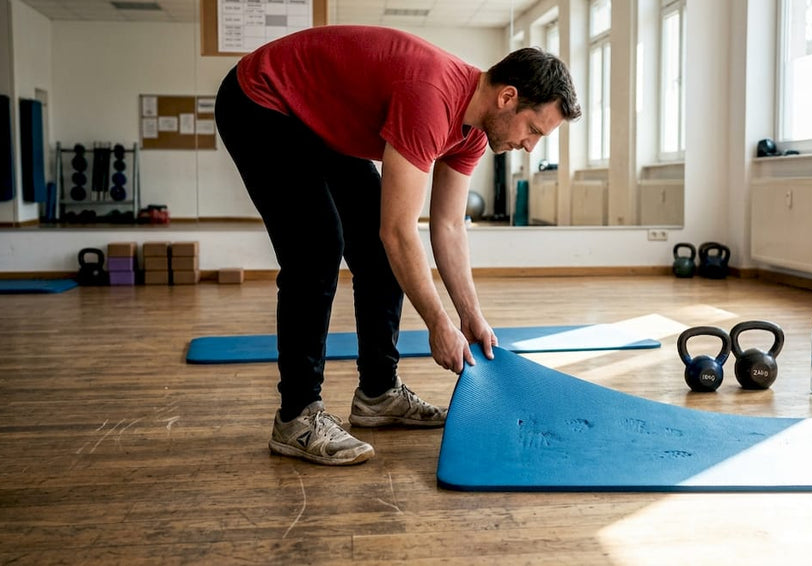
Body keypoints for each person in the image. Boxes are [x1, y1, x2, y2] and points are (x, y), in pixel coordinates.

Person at [214, 25, 581, 466]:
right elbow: (400, 232)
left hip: (314, 116)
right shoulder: (431, 97)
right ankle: (296, 416)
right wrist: (437, 323)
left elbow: (447, 227)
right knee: (316, 247)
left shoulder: (473, 133)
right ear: (507, 98)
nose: (529, 145)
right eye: (533, 130)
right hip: (261, 99)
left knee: (375, 250)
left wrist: (470, 316)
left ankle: (378, 393)